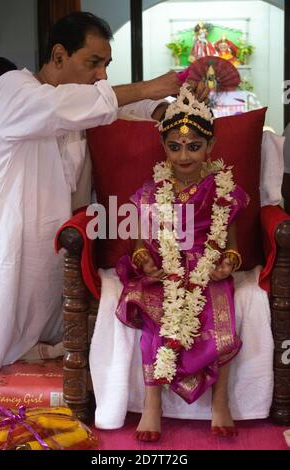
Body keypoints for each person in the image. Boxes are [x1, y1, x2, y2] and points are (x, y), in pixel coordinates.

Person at [0, 11, 212, 382]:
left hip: (52, 263)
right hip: (6, 260)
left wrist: (166, 108)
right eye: (93, 63)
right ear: (58, 56)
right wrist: (149, 87)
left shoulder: (82, 108)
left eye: (106, 65)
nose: (102, 76)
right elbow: (66, 106)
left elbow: (119, 108)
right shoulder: (14, 88)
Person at [115, 83, 248, 441]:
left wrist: (227, 264)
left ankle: (220, 402)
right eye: (174, 147)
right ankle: (152, 404)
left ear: (210, 147)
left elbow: (232, 247)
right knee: (155, 313)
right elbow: (140, 245)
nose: (184, 155)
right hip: (165, 267)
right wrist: (145, 263)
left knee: (221, 317)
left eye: (193, 146)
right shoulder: (150, 191)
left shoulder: (224, 191)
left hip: (207, 265)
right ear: (163, 148)